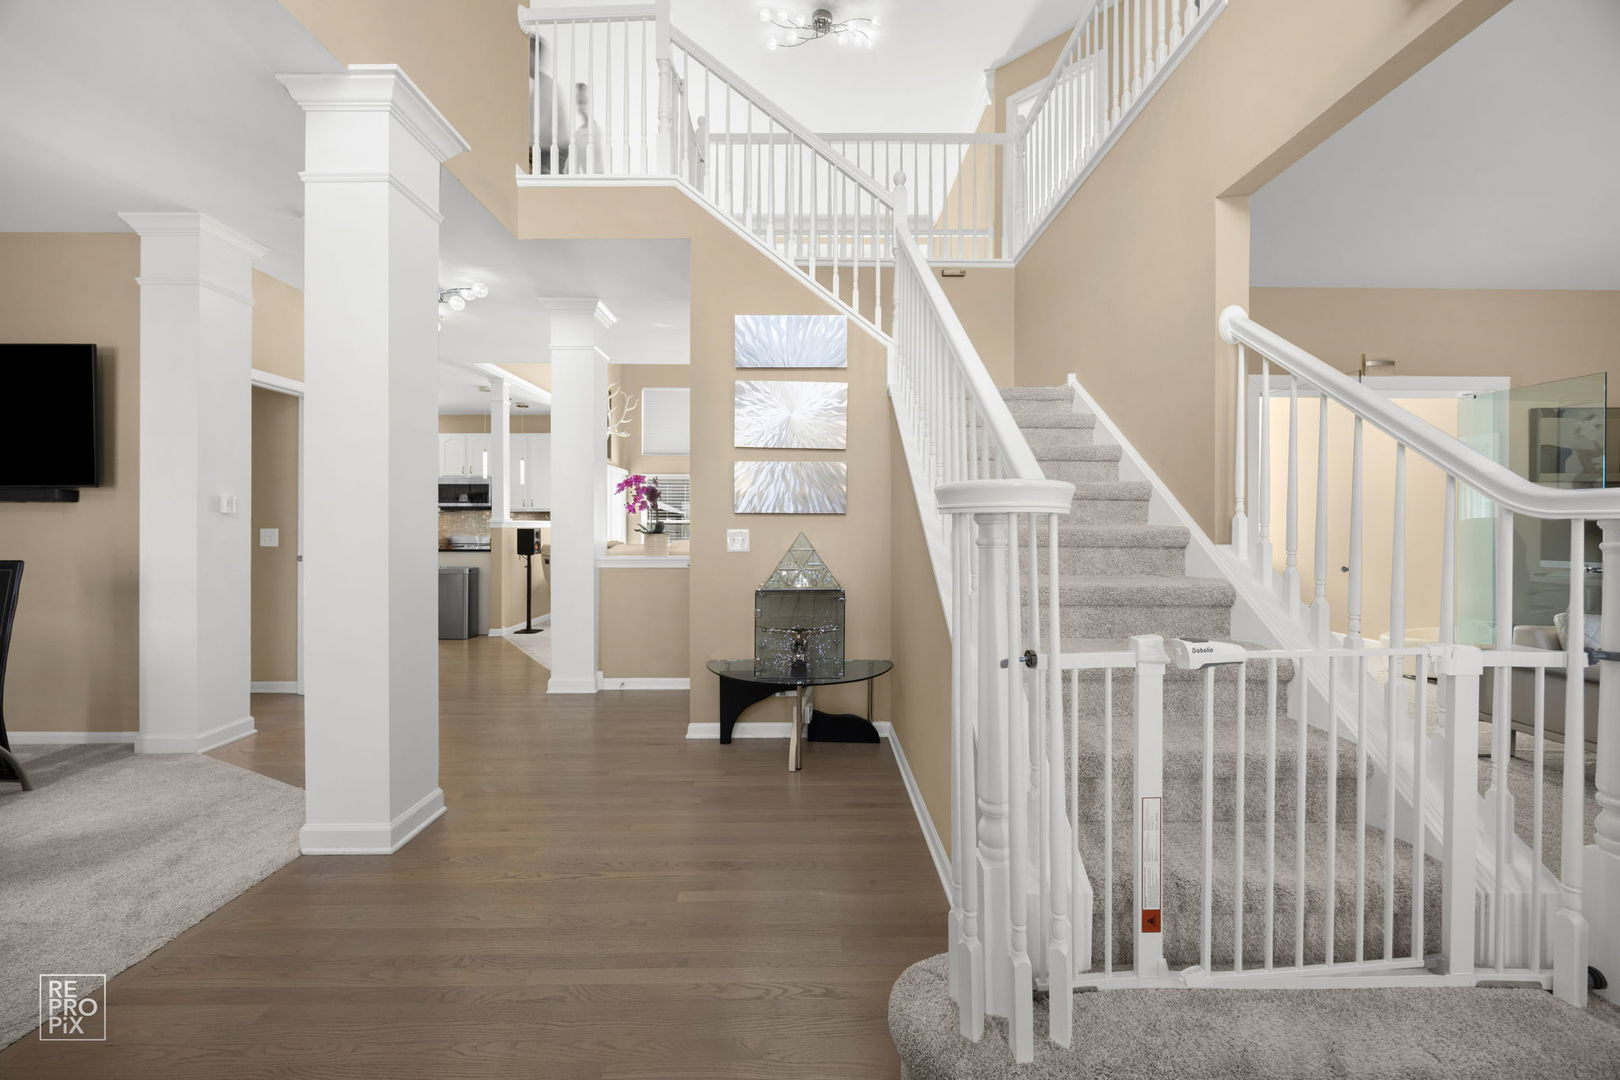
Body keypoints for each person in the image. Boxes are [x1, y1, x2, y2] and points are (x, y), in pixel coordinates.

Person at [529, 37, 570, 174]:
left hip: (553, 151)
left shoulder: (546, 87)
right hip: (546, 150)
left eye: (528, 55)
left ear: (535, 57)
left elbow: (535, 127)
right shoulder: (538, 87)